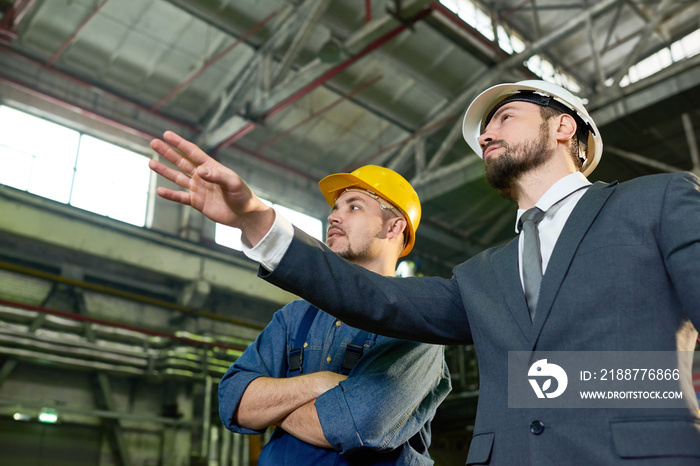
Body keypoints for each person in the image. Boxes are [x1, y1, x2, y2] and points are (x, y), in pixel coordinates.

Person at [149, 79, 700, 465]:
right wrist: (255, 220)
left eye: (503, 118)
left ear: (562, 127)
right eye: (483, 131)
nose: (485, 136)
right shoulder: (484, 274)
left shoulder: (657, 200)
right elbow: (376, 300)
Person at [214, 165, 450, 464]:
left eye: (354, 207)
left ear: (394, 227)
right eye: (335, 208)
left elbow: (356, 425)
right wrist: (317, 383)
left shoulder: (418, 325)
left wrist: (267, 408)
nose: (333, 216)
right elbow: (232, 400)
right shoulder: (295, 316)